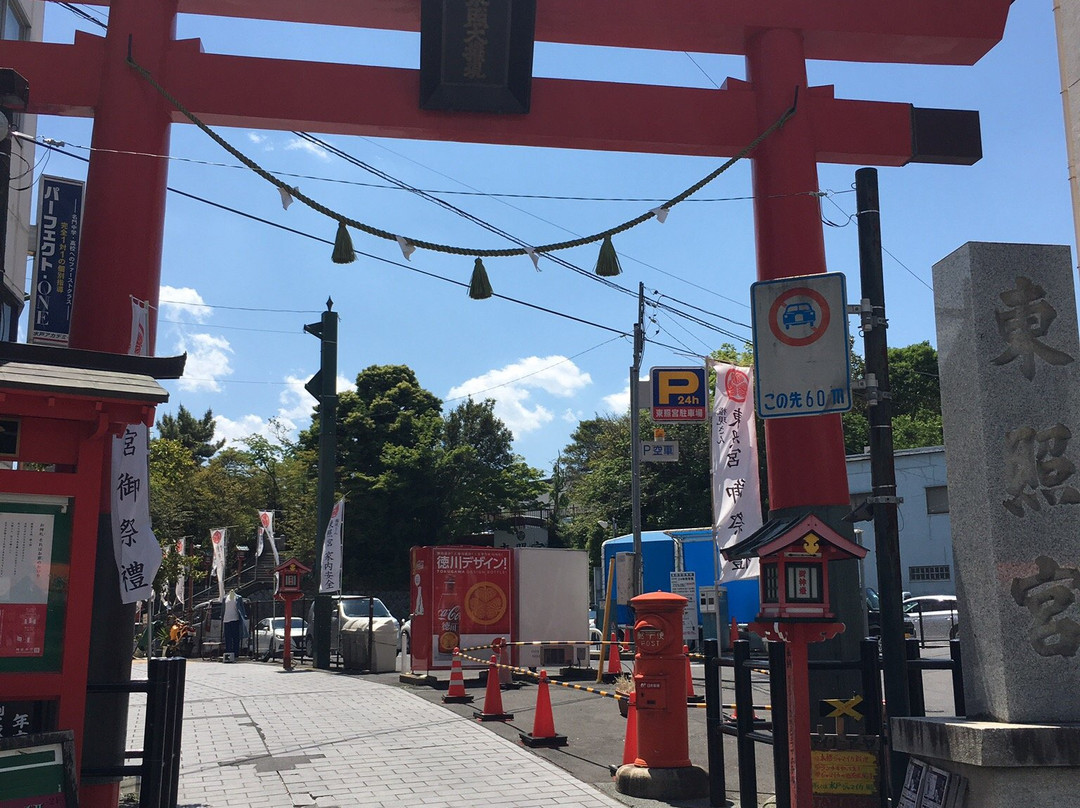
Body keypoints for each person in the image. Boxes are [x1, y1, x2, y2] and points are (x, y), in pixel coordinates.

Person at [223, 590, 247, 662]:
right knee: (228, 637)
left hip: (235, 619)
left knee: (236, 637)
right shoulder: (225, 598)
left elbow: (241, 607)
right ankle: (228, 652)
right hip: (226, 619)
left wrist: (244, 615)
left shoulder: (238, 597)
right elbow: (223, 608)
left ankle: (236, 653)